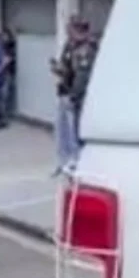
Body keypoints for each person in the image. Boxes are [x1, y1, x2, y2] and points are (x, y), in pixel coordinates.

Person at [52, 16, 96, 174]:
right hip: (65, 92)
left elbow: (82, 77)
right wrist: (58, 69)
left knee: (76, 132)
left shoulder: (86, 49)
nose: (68, 33)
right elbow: (68, 69)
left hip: (77, 97)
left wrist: (74, 96)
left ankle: (79, 162)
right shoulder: (70, 46)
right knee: (62, 131)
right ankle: (65, 161)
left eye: (70, 29)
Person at [1, 28, 17, 121]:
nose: (3, 38)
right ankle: (6, 114)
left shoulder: (10, 46)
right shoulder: (4, 46)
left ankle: (6, 115)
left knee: (6, 94)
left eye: (5, 36)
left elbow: (7, 60)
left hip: (9, 73)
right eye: (3, 36)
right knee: (5, 94)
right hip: (6, 73)